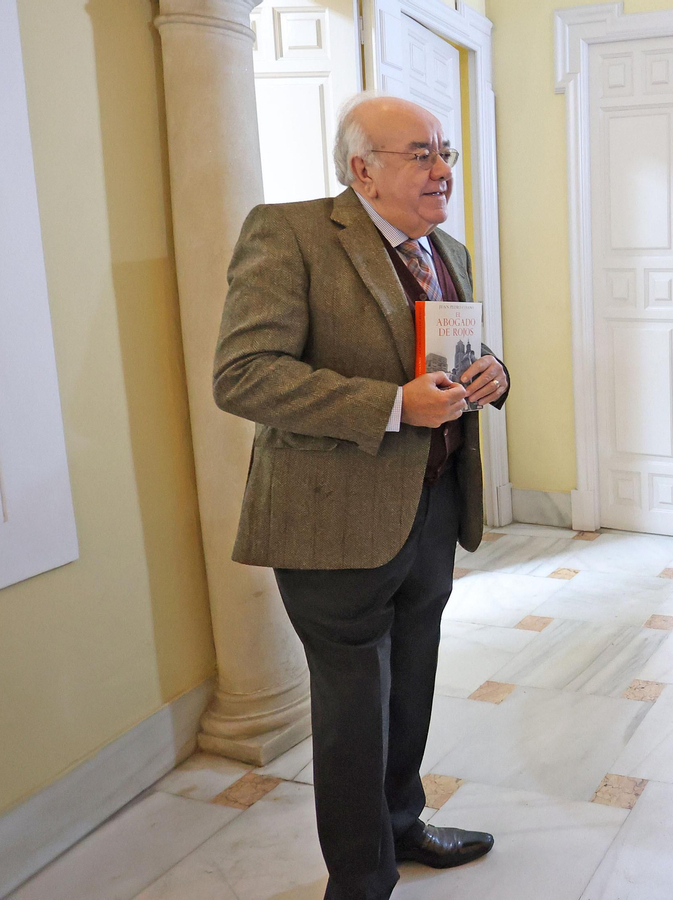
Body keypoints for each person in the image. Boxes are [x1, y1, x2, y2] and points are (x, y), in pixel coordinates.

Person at [213, 93, 509, 900]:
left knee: (410, 686)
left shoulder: (445, 249)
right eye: (421, 154)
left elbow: (450, 349)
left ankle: (403, 825)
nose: (442, 169)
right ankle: (360, 878)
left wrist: (492, 372)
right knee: (353, 710)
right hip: (331, 519)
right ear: (362, 170)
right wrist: (390, 406)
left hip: (434, 508)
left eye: (445, 152)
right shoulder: (291, 234)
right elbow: (244, 375)